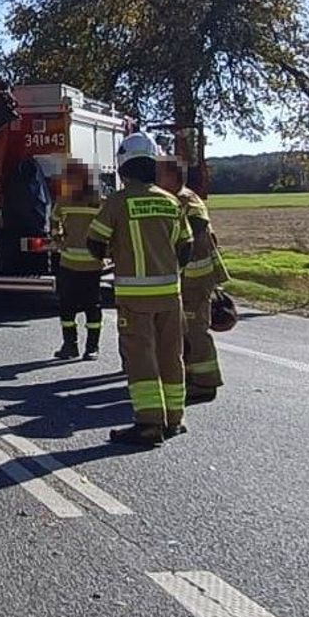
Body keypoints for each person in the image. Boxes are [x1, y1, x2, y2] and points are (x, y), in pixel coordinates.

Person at [86, 133, 194, 445]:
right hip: (170, 294)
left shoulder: (118, 202)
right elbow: (185, 247)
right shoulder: (170, 201)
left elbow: (95, 242)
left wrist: (115, 256)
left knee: (141, 357)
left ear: (123, 168)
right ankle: (175, 419)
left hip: (134, 297)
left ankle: (148, 425)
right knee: (171, 354)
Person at [158, 158, 229, 404]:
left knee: (196, 329)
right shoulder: (176, 200)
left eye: (160, 176)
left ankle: (206, 381)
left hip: (196, 278)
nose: (156, 181)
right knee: (184, 329)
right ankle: (190, 376)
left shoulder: (187, 200)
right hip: (186, 277)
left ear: (174, 178)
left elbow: (197, 228)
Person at [51, 159, 104, 361]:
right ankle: (69, 346)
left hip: (92, 264)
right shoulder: (64, 201)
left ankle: (92, 347)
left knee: (93, 307)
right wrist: (57, 237)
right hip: (68, 263)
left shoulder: (98, 201)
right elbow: (54, 218)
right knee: (66, 307)